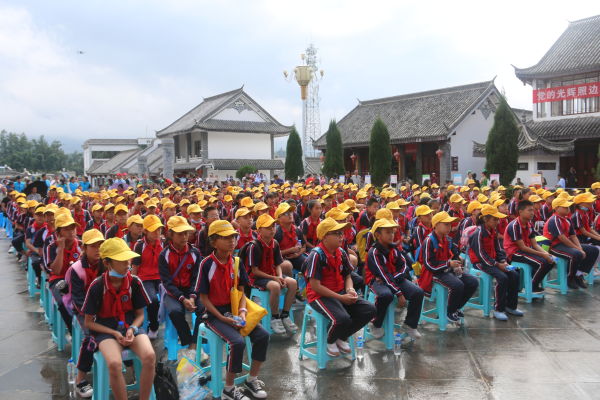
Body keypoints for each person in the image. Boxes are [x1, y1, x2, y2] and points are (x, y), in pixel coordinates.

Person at [196, 220, 270, 400]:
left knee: (263, 335)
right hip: (213, 314)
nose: (232, 240)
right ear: (214, 243)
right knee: (237, 342)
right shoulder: (206, 265)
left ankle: (252, 379)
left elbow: (242, 292)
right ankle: (228, 389)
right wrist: (222, 318)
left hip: (235, 309)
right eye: (226, 237)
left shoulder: (236, 262)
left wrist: (243, 312)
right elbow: (203, 298)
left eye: (233, 236)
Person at [83, 238, 155, 400]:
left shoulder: (135, 282)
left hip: (131, 326)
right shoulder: (97, 286)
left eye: (128, 259)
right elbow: (88, 322)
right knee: (115, 364)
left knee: (150, 356)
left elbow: (140, 315)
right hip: (106, 330)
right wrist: (114, 333)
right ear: (107, 263)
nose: (127, 264)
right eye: (121, 260)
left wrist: (132, 329)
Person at [304, 217, 377, 357]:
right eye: (337, 234)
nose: (341, 237)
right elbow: (315, 286)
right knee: (342, 319)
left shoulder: (341, 253)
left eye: (341, 233)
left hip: (340, 291)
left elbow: (348, 276)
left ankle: (340, 337)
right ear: (324, 238)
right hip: (319, 296)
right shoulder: (316, 255)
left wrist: (350, 290)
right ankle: (329, 340)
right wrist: (341, 298)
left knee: (369, 310)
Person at [366, 219, 423, 339]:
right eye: (388, 232)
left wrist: (393, 278)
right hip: (375, 280)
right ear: (378, 235)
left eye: (392, 232)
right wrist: (399, 293)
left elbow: (404, 267)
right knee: (386, 295)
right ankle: (375, 323)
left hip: (391, 278)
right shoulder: (374, 252)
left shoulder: (393, 248)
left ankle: (409, 324)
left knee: (418, 292)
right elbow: (383, 275)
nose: (392, 235)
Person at [159, 216, 206, 360]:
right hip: (173, 292)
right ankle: (189, 342)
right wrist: (181, 298)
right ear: (170, 234)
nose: (184, 236)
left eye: (186, 233)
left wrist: (191, 296)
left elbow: (197, 278)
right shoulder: (164, 255)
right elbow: (167, 282)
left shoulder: (194, 253)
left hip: (191, 290)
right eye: (180, 233)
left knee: (204, 310)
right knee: (174, 311)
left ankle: (194, 345)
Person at [419, 211, 479, 323]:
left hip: (447, 269)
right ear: (436, 225)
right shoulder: (429, 241)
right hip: (433, 273)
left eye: (450, 225)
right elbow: (428, 264)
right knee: (458, 285)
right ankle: (449, 311)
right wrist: (448, 264)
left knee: (473, 281)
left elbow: (455, 254)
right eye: (446, 224)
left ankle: (455, 307)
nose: (449, 227)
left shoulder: (447, 239)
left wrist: (457, 264)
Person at [245, 214, 298, 334]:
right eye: (268, 227)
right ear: (259, 230)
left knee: (293, 282)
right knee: (275, 286)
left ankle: (285, 314)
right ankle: (275, 317)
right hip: (257, 278)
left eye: (273, 226)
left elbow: (278, 264)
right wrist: (275, 278)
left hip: (272, 274)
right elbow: (254, 271)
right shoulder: (254, 246)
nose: (272, 229)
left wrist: (279, 276)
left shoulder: (274, 243)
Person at [68, 229, 105, 397]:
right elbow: (78, 298)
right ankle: (80, 379)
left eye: (100, 245)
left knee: (123, 330)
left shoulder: (107, 264)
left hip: (105, 308)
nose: (97, 249)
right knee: (91, 336)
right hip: (84, 310)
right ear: (84, 247)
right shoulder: (76, 269)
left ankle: (133, 369)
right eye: (93, 246)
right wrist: (94, 316)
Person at [469, 205, 523, 321]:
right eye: (495, 219)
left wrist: (503, 262)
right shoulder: (477, 233)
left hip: (493, 262)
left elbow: (498, 250)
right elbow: (481, 254)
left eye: (498, 219)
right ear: (485, 219)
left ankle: (510, 306)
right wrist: (498, 265)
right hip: (480, 263)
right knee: (502, 277)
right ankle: (498, 309)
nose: (497, 222)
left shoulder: (493, 231)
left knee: (514, 275)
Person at [543, 197, 599, 289]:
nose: (567, 209)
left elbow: (573, 236)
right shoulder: (554, 220)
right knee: (576, 254)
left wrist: (580, 248)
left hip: (564, 244)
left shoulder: (567, 219)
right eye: (564, 207)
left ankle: (578, 274)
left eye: (568, 207)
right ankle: (570, 277)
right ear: (556, 208)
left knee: (594, 250)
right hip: (554, 246)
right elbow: (562, 238)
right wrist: (578, 249)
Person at [504, 200, 555, 294]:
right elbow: (522, 247)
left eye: (532, 210)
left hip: (525, 250)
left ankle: (535, 283)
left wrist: (547, 254)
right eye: (529, 210)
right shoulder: (515, 225)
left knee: (551, 261)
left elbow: (534, 244)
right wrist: (542, 255)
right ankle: (529, 286)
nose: (532, 212)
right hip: (514, 252)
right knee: (541, 262)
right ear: (521, 212)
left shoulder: (529, 224)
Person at [47, 212, 83, 336]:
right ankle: (74, 335)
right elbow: (56, 271)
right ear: (58, 233)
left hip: (78, 278)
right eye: (66, 229)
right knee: (63, 302)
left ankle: (86, 331)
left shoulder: (81, 245)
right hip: (59, 279)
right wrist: (61, 248)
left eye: (73, 228)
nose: (71, 232)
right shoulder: (52, 247)